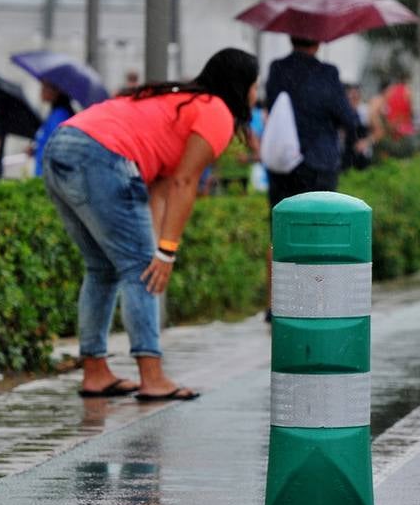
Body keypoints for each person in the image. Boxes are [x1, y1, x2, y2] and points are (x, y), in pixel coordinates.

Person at [41, 48, 259, 400]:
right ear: (240, 85)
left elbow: (159, 190)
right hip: (101, 154)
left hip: (62, 146)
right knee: (140, 269)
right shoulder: (216, 111)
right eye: (253, 85)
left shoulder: (180, 100)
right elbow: (185, 183)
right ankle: (152, 376)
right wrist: (165, 253)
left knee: (102, 268)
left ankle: (95, 372)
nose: (255, 93)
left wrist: (157, 244)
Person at [264, 36, 358, 206]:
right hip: (319, 164)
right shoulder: (327, 73)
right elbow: (348, 119)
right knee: (318, 224)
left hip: (283, 163)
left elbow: (272, 107)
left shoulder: (277, 68)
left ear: (291, 39)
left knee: (284, 224)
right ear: (317, 43)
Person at [30, 81, 75, 178]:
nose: (41, 91)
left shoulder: (60, 115)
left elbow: (56, 147)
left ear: (56, 91)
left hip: (49, 178)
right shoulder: (54, 113)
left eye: (45, 87)